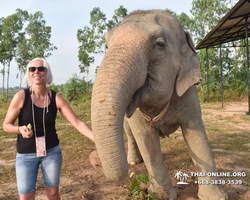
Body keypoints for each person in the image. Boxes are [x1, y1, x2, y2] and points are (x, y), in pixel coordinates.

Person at [3, 57, 94, 200]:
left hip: (51, 152)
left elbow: (77, 122)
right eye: (32, 69)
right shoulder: (21, 96)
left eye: (41, 68)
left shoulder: (55, 98)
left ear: (47, 72)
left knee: (53, 194)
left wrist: (97, 138)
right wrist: (19, 129)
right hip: (26, 154)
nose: (36, 72)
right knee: (26, 196)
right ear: (29, 73)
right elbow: (6, 125)